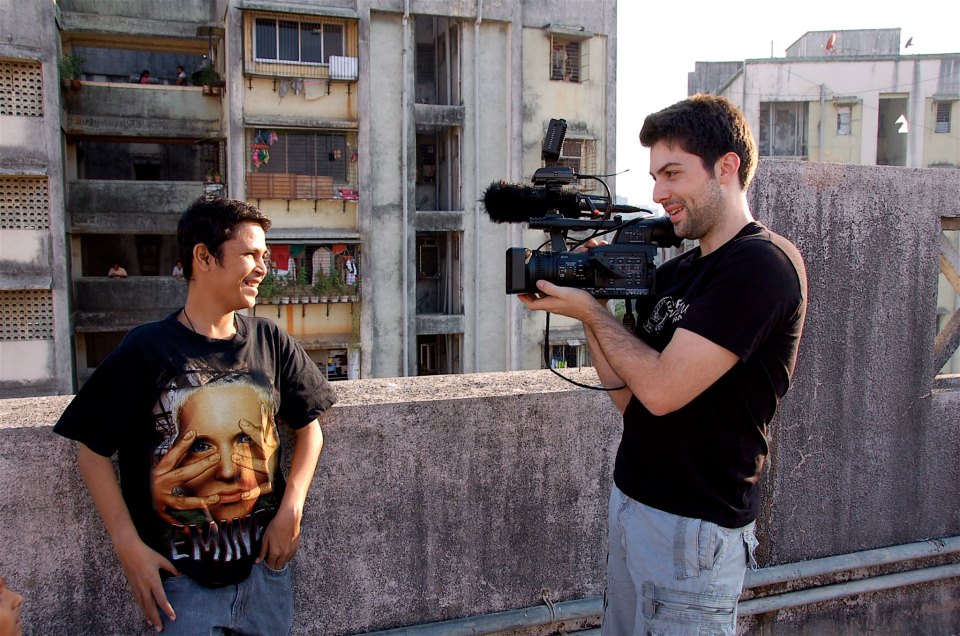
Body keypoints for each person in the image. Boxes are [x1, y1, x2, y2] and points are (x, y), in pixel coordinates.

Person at [519, 95, 807, 635]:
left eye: (672, 173)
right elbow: (632, 402)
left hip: (694, 532)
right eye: (654, 177)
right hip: (634, 503)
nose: (658, 194)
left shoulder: (761, 266)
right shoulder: (677, 275)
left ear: (727, 167)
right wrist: (592, 306)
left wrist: (591, 313)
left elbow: (661, 391)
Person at [54, 197, 337, 634]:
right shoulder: (146, 350)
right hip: (181, 586)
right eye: (250, 254)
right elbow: (91, 451)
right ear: (203, 257)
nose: (264, 267)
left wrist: (291, 510)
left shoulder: (269, 339)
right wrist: (128, 547)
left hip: (266, 574)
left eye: (265, 256)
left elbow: (309, 428)